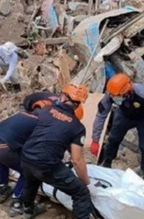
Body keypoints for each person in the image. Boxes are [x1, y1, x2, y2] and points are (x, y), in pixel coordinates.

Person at [91, 73, 144, 195]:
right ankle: (106, 163)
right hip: (124, 115)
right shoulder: (111, 95)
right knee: (113, 139)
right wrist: (95, 140)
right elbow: (101, 115)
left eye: (118, 96)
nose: (114, 98)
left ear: (127, 91)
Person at [21, 84, 92, 219]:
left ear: (63, 97)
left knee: (31, 181)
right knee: (81, 193)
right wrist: (86, 182)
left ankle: (28, 210)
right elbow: (77, 160)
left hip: (27, 155)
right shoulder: (77, 126)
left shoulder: (47, 109)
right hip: (46, 164)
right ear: (78, 105)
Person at [0, 110, 39, 216]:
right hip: (1, 148)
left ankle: (3, 188)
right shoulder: (39, 124)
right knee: (27, 171)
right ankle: (17, 202)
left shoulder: (21, 115)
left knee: (5, 161)